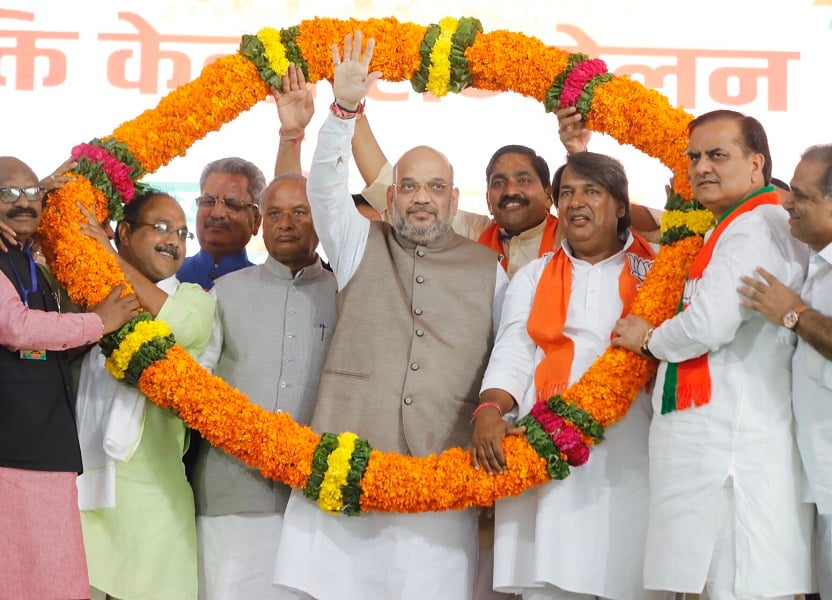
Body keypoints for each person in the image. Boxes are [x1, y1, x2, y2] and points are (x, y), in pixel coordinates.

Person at [271, 33, 508, 600]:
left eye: (435, 187)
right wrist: (343, 111)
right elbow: (325, 188)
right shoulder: (357, 243)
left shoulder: (489, 269)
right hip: (344, 462)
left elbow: (510, 355)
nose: (421, 198)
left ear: (455, 202)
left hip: (438, 477)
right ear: (389, 197)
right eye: (409, 186)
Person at [612, 110, 813, 599]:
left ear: (756, 164)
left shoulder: (754, 227)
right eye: (694, 156)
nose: (701, 167)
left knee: (731, 581)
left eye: (717, 155)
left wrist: (648, 340)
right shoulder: (734, 225)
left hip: (732, 451)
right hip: (721, 444)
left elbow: (711, 323)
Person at [471, 151, 668, 600]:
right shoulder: (535, 275)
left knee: (632, 575)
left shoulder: (656, 270)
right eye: (567, 193)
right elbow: (515, 349)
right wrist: (490, 406)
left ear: (621, 205)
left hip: (632, 447)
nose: (577, 202)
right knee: (554, 581)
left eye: (592, 191)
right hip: (549, 446)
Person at [192, 173, 337, 600]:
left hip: (315, 501)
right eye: (274, 213)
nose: (286, 223)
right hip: (231, 494)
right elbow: (195, 389)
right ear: (259, 221)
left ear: (321, 220)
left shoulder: (346, 295)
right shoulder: (223, 293)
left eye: (299, 212)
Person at [0, 156, 140, 599]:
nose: (23, 203)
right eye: (8, 193)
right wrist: (98, 322)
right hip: (13, 451)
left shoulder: (27, 260)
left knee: (54, 580)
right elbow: (16, 327)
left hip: (44, 445)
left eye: (32, 193)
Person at [76, 189, 217, 600]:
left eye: (182, 233)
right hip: (82, 491)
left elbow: (179, 327)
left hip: (154, 504)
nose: (174, 240)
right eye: (161, 228)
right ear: (123, 231)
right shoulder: (86, 296)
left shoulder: (193, 299)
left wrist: (111, 259)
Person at [351, 102, 662, 278]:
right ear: (488, 200)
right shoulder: (475, 233)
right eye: (498, 183)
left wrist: (577, 155)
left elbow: (619, 218)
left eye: (523, 180)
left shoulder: (572, 233)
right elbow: (385, 188)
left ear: (549, 195)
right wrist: (353, 109)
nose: (510, 190)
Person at [737, 143, 832, 600]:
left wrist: (793, 313)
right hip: (815, 480)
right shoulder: (814, 263)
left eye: (802, 195)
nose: (787, 203)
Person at [177, 157, 266, 289]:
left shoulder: (266, 286)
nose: (217, 213)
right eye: (208, 202)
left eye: (232, 204)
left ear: (256, 220)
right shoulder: (168, 277)